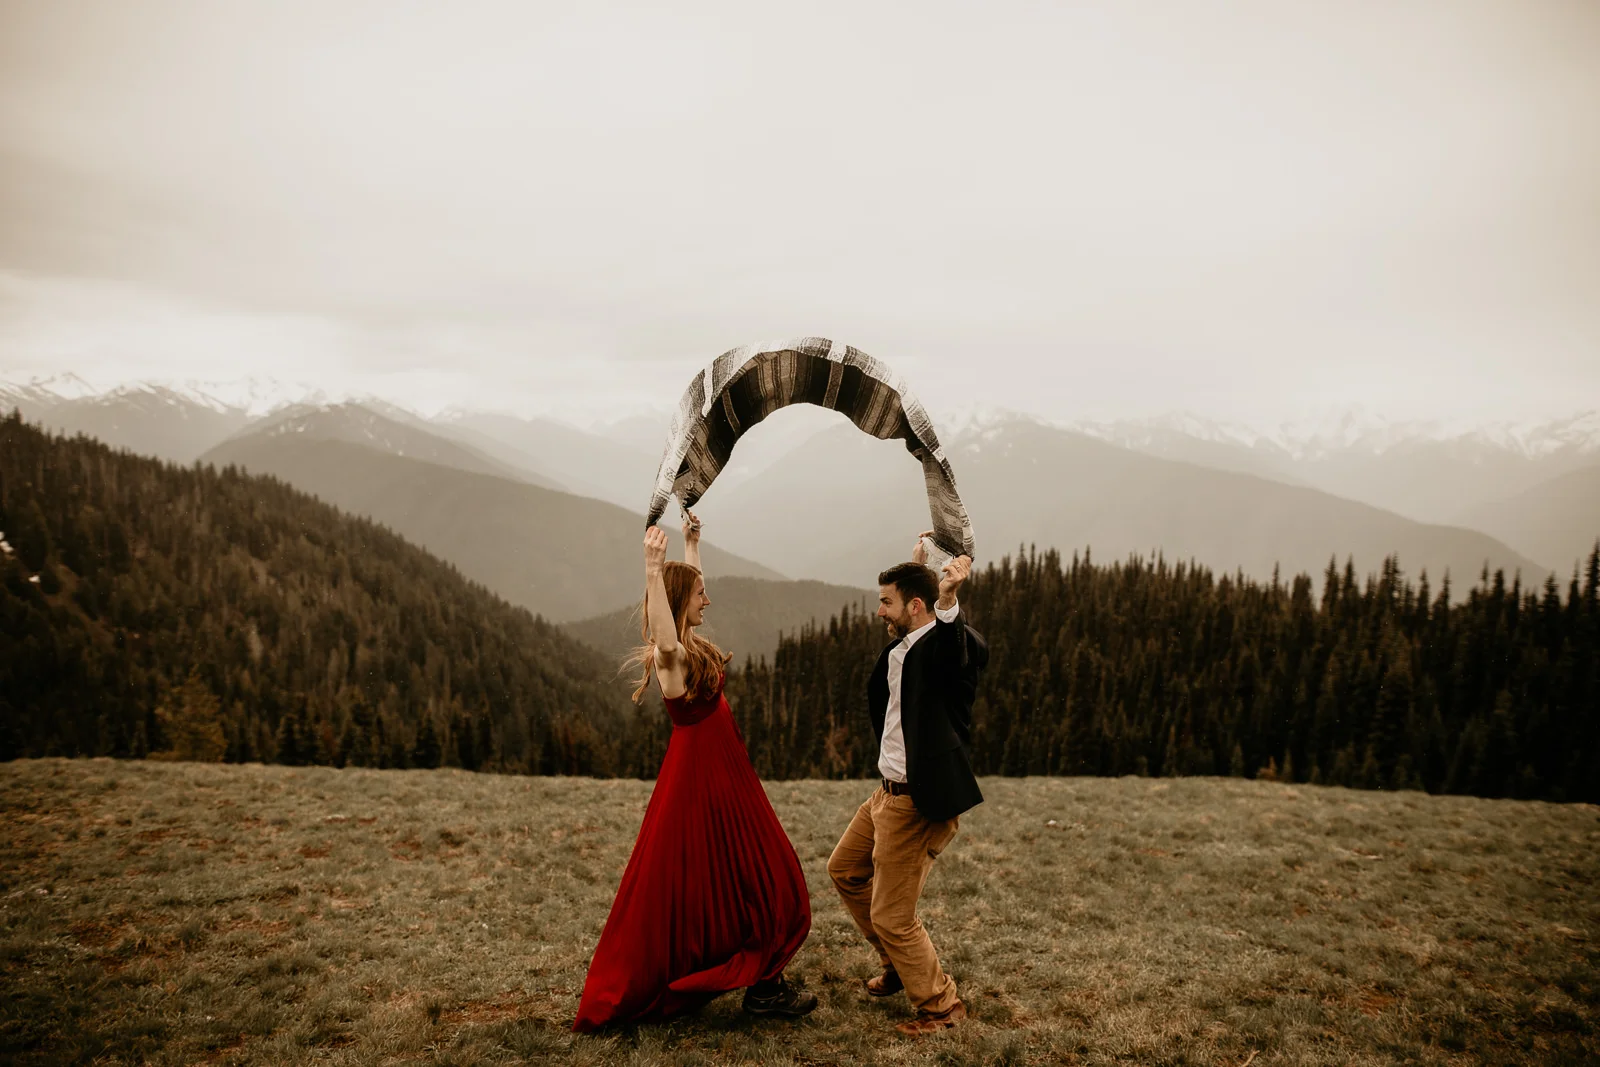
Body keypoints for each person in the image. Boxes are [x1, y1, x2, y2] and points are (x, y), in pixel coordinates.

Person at [572, 510, 816, 1032]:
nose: (709, 599)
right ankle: (763, 989)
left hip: (727, 779)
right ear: (681, 601)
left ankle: (765, 985)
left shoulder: (693, 643)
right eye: (701, 594)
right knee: (741, 879)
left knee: (763, 875)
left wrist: (691, 545)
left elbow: (684, 603)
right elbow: (664, 636)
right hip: (700, 785)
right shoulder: (673, 659)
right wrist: (652, 568)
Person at [826, 531, 987, 1037]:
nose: (879, 611)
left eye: (886, 603)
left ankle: (941, 1008)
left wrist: (947, 601)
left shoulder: (945, 652)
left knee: (893, 915)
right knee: (846, 870)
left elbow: (966, 653)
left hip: (915, 802)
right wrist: (915, 565)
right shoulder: (906, 645)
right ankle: (899, 965)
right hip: (885, 793)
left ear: (913, 607)